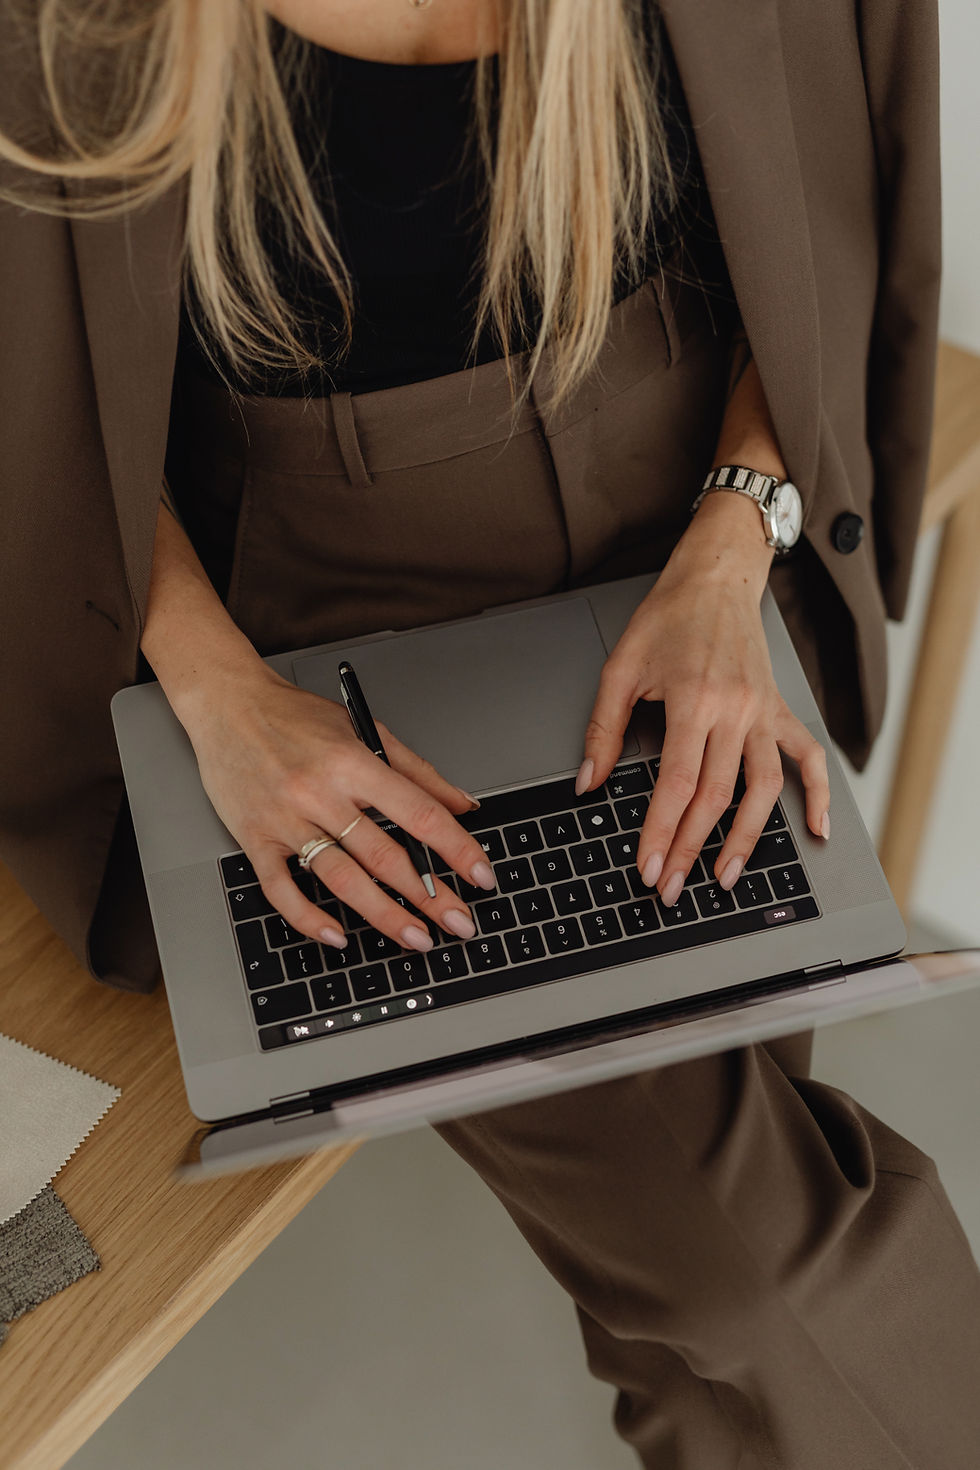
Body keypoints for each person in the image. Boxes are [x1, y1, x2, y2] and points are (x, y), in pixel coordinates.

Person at [2, 1, 979, 1464]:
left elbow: (818, 212)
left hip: (689, 524)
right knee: (763, 1274)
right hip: (330, 630)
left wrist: (736, 536)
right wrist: (212, 688)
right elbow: (29, 381)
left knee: (712, 1301)